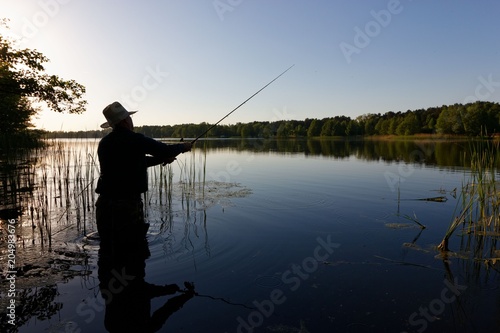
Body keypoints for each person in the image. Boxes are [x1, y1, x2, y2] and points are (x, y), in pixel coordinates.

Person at [95, 101, 192, 248]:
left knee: (108, 249)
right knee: (133, 249)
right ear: (126, 120)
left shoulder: (105, 143)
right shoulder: (136, 139)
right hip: (127, 205)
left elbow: (135, 162)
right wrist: (183, 147)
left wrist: (161, 159)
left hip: (104, 205)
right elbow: (165, 150)